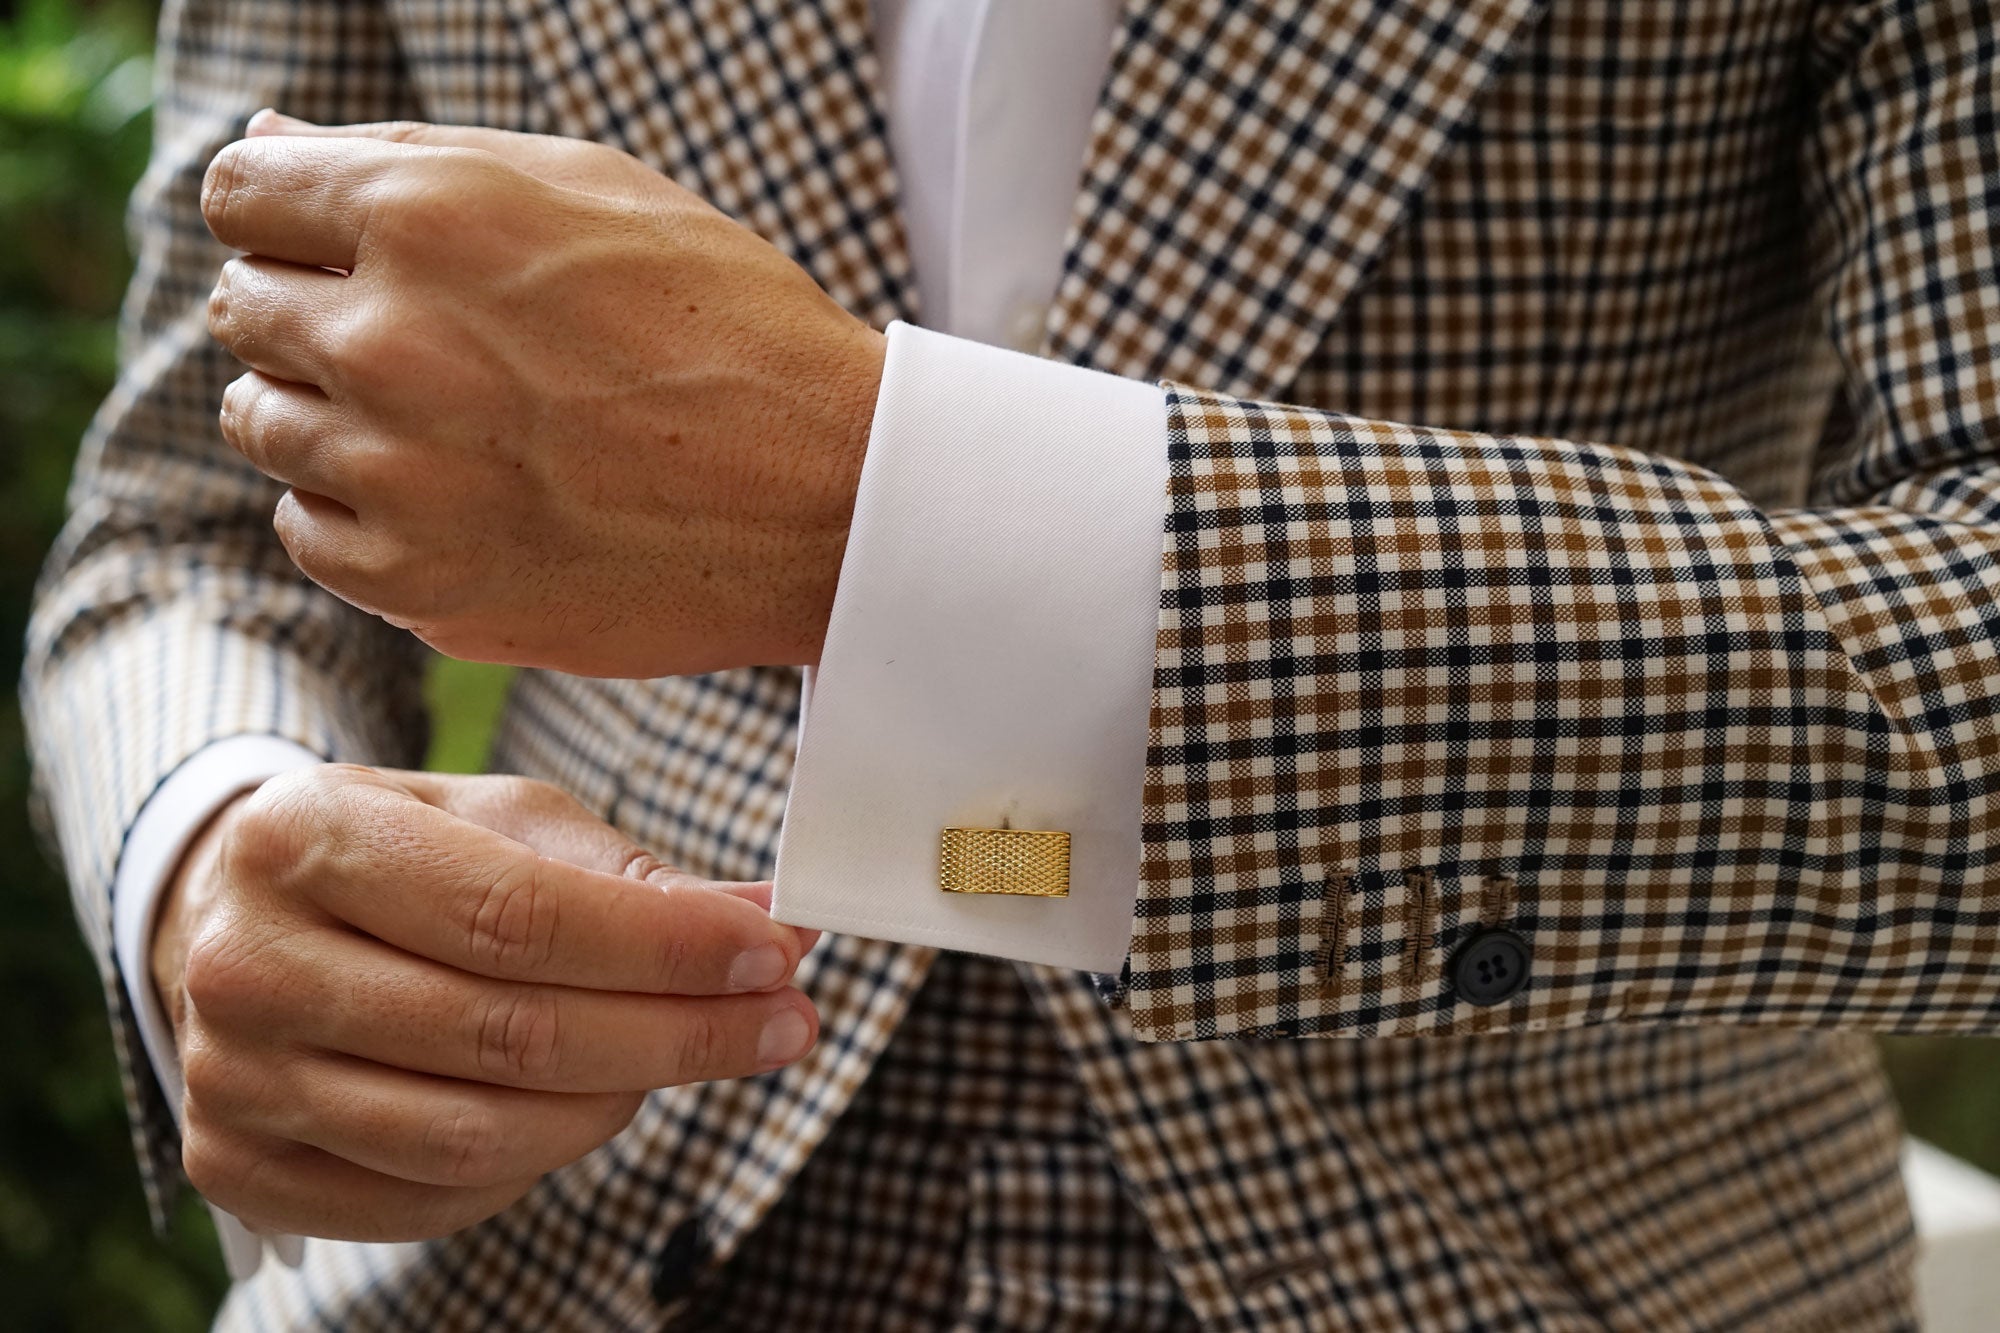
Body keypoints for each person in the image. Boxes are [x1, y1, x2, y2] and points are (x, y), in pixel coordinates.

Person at [24, 0, 2000, 1327]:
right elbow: (187, 517)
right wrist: (221, 847)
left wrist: (873, 510)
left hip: (1544, 1249)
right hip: (537, 1238)